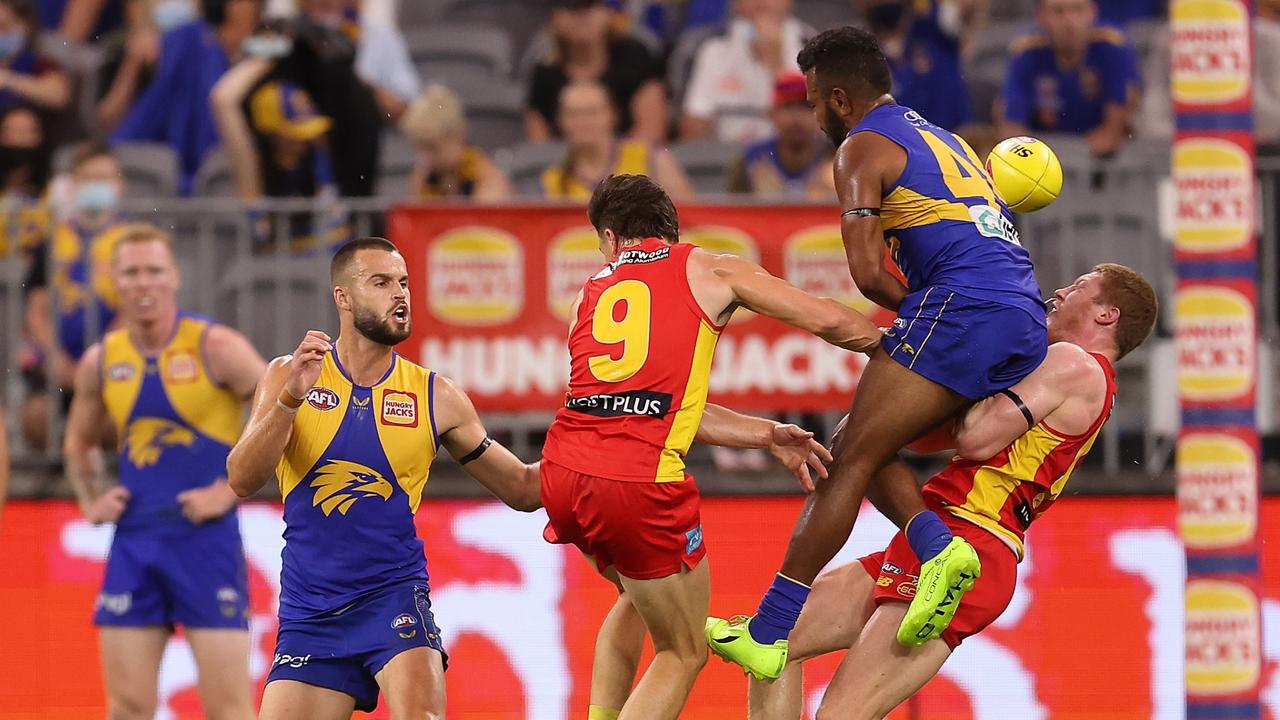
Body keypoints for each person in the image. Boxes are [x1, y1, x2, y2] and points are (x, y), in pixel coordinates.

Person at [705, 26, 1050, 679]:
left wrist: (915, 325)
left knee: (845, 460)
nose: (810, 115)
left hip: (963, 309)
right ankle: (937, 547)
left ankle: (770, 631)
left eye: (811, 101)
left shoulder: (862, 148)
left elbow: (866, 276)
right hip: (1023, 312)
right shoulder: (942, 136)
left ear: (839, 99)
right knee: (868, 438)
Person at [539, 173, 888, 720]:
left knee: (635, 594)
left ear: (609, 239)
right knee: (682, 652)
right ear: (672, 230)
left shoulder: (588, 293)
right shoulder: (709, 267)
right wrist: (902, 351)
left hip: (562, 471)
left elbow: (661, 407)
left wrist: (766, 433)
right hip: (638, 482)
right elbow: (826, 318)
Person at [743, 264, 1157, 719]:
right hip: (945, 534)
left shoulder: (1075, 363)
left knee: (842, 713)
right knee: (769, 642)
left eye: (1080, 287)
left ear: (1107, 315)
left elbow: (975, 438)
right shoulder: (1073, 375)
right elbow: (928, 435)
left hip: (971, 543)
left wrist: (953, 367)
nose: (1059, 291)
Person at [224, 237, 548, 717]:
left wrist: (598, 448)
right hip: (310, 615)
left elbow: (522, 489)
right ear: (344, 298)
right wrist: (290, 399)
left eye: (403, 283)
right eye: (380, 283)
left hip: (393, 601)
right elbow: (241, 479)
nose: (400, 294)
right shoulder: (288, 375)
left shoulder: (437, 396)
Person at [63, 223, 268, 720]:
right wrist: (91, 496)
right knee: (128, 707)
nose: (142, 282)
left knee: (227, 710)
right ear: (115, 281)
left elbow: (285, 416)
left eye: (154, 270)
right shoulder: (103, 360)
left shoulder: (215, 347)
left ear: (174, 277)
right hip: (135, 542)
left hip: (206, 543)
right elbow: (79, 440)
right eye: (130, 272)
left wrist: (229, 490)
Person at [20, 142, 127, 450]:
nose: (96, 185)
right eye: (88, 178)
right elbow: (36, 309)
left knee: (114, 423)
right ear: (74, 184)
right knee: (37, 418)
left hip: (113, 366)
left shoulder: (133, 240)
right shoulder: (52, 240)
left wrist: (96, 361)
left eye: (104, 177)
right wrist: (56, 359)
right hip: (58, 370)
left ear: (119, 185)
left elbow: (133, 310)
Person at [105, 0, 264, 191]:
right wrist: (133, 65)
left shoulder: (208, 50)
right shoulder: (118, 50)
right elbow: (107, 123)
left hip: (209, 151)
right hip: (142, 160)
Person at [210, 60, 350, 251]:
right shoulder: (255, 176)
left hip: (338, 268)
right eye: (295, 134)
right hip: (285, 273)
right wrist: (267, 58)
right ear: (271, 135)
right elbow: (222, 99)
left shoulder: (319, 156)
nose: (306, 141)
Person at [997, 0, 1141, 157]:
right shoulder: (1026, 52)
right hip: (1040, 156)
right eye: (1058, 11)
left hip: (1100, 160)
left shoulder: (1113, 47)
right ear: (1041, 16)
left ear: (1093, 11)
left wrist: (1075, 155)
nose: (1069, 21)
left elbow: (1114, 129)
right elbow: (1012, 128)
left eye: (1077, 10)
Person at [1136, 0, 1280, 147]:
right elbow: (1155, 97)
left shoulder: (1271, 38)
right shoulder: (1170, 34)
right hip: (1176, 145)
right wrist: (1173, 135)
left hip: (1259, 145)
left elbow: (1275, 111)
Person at [526, 0, 667, 145]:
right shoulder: (544, 73)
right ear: (554, 18)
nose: (581, 16)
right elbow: (540, 144)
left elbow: (651, 132)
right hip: (565, 164)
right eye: (571, 8)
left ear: (608, 13)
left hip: (631, 164)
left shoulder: (636, 58)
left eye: (590, 6)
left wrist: (607, 163)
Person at [679, 0, 812, 143]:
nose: (762, 3)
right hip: (723, 157)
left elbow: (809, 131)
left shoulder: (811, 48)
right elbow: (691, 132)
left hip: (787, 158)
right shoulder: (713, 48)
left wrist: (776, 66)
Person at [542, 80, 694, 202]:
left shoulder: (650, 158)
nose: (583, 121)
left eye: (592, 112)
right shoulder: (554, 178)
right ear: (561, 122)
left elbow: (689, 215)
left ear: (611, 116)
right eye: (573, 114)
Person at [859, 0, 979, 132]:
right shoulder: (864, 53)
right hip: (904, 142)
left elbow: (965, 11)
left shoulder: (934, 32)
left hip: (953, 137)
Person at [726, 70, 833, 199]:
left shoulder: (837, 158)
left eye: (806, 107)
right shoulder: (749, 160)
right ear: (772, 114)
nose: (796, 116)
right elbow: (732, 212)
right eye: (788, 106)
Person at [401, 83, 511, 201]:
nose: (426, 157)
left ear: (458, 135)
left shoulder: (489, 182)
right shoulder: (421, 179)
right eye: (420, 148)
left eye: (432, 147)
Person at [0, 103, 51, 260]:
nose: (19, 139)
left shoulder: (53, 189)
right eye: (12, 131)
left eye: (26, 131)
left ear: (39, 136)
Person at [0, 0, 71, 114]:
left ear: (26, 26)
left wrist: (7, 80)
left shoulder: (38, 61)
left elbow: (59, 95)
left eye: (4, 27)